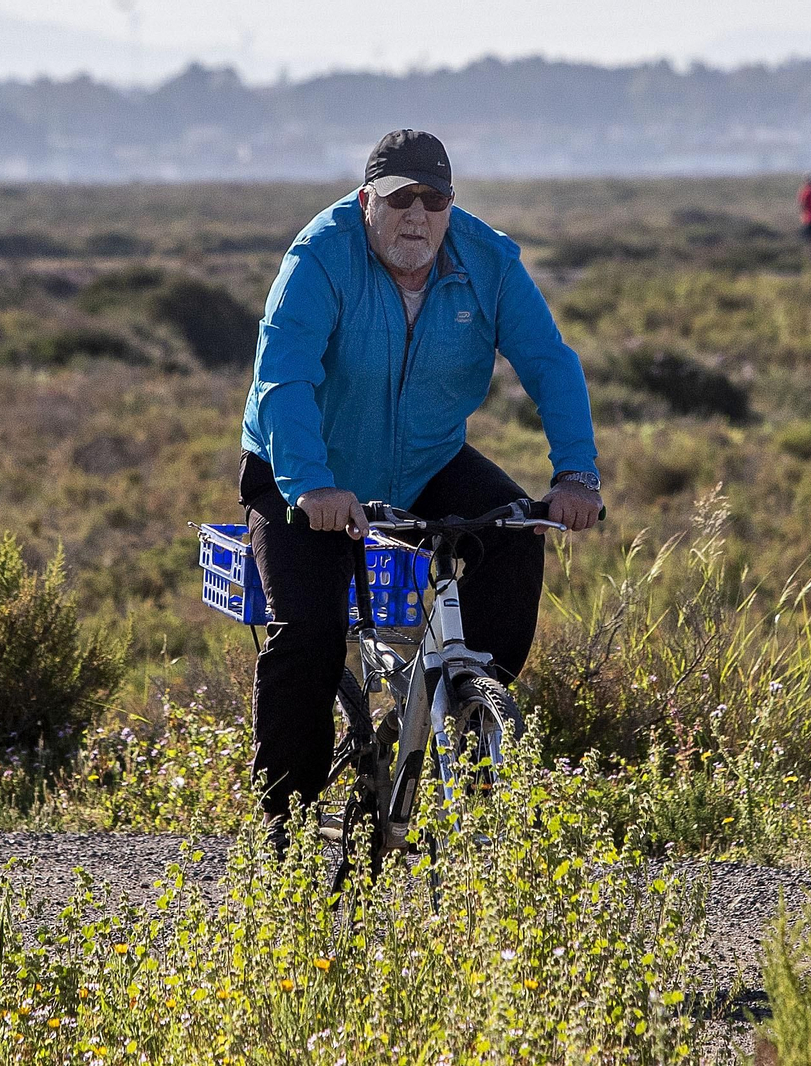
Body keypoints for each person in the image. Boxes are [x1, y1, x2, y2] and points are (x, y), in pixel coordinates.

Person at [237, 128, 604, 845]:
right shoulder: (320, 256)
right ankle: (285, 831)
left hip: (427, 461)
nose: (417, 215)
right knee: (310, 635)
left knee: (517, 539)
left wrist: (576, 475)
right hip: (304, 468)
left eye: (433, 200)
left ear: (450, 205)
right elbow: (283, 379)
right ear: (366, 199)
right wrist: (312, 487)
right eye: (400, 198)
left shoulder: (487, 261)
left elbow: (550, 364)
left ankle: (467, 706)